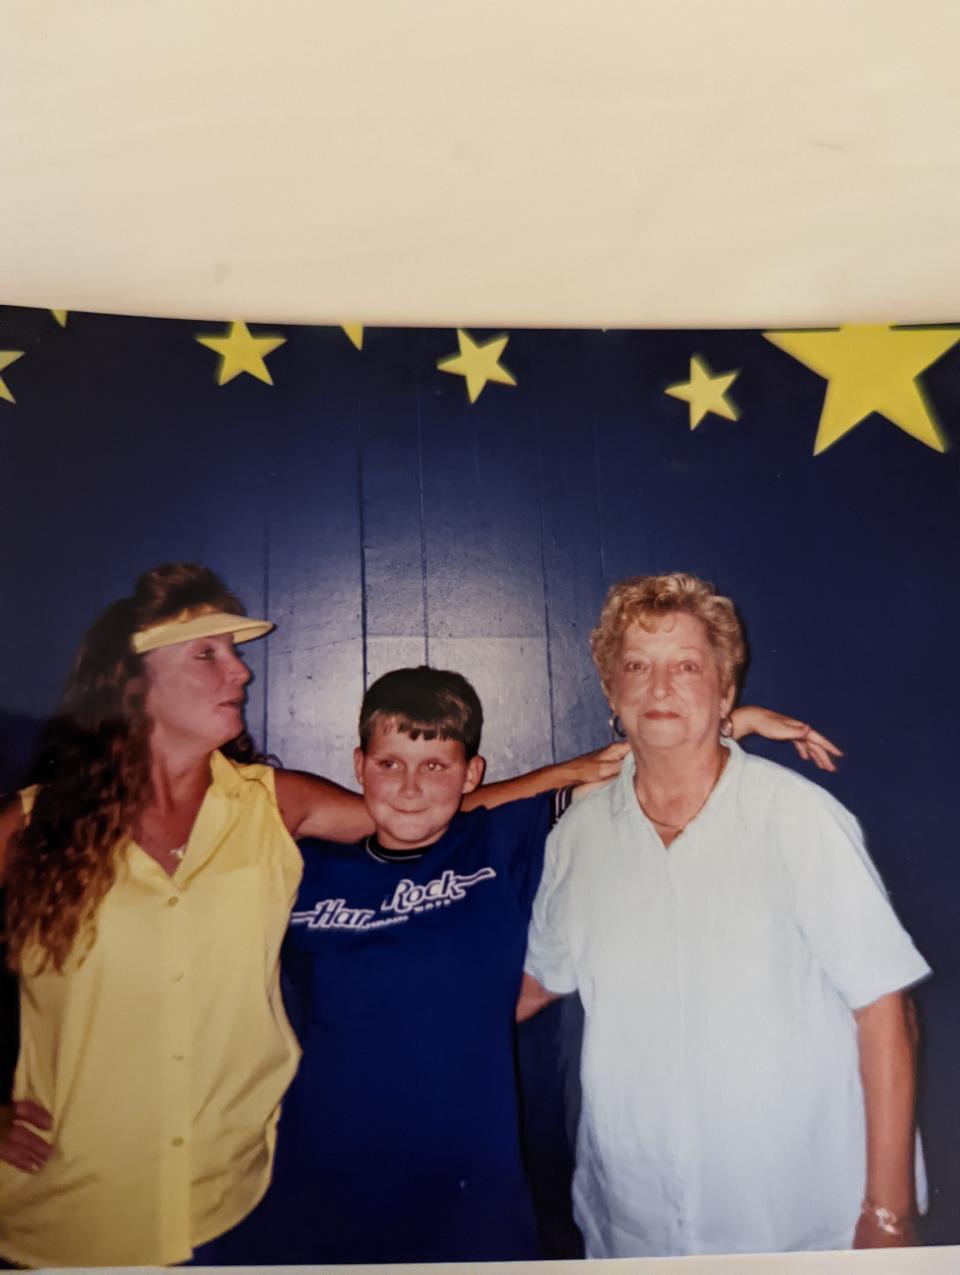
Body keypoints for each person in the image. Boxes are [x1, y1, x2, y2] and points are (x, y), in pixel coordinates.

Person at [0, 563, 629, 1269]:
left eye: (235, 654)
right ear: (133, 678)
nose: (239, 674)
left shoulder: (274, 804)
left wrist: (580, 768)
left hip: (229, 1204)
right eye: (208, 653)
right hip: (64, 1213)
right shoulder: (28, 826)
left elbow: (415, 814)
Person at [211, 664, 842, 1265]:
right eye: (389, 764)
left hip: (466, 1182)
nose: (409, 786)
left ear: (471, 773)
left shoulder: (499, 841)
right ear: (360, 766)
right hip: (313, 1171)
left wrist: (732, 724)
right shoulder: (304, 866)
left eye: (435, 764)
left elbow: (632, 769)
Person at [520, 572, 931, 1258]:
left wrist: (888, 1215)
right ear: (611, 693)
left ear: (726, 692)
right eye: (637, 666)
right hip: (635, 1223)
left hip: (799, 1218)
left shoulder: (796, 818)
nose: (659, 687)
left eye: (686, 666)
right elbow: (538, 981)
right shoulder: (577, 838)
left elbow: (887, 1010)